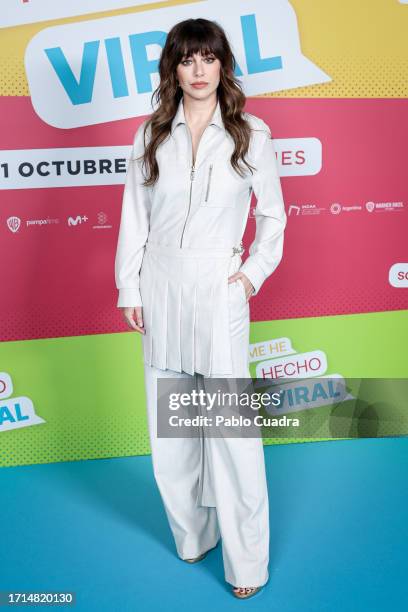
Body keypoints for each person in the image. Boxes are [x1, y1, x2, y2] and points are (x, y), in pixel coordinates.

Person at [114, 18, 287, 600]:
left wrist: (248, 278)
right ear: (173, 67)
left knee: (231, 435)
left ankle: (248, 566)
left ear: (223, 66)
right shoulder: (149, 134)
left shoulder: (251, 134)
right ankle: (194, 537)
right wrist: (130, 290)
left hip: (219, 286)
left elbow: (273, 219)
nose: (197, 70)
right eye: (186, 60)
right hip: (159, 283)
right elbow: (134, 219)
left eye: (208, 59)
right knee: (173, 431)